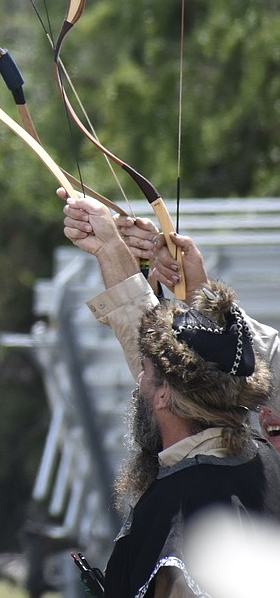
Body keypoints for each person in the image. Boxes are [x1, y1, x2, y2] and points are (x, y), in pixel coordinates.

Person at [60, 192, 280, 597]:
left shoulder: (180, 511)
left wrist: (114, 249)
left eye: (144, 373)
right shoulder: (264, 467)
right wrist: (115, 251)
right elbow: (189, 361)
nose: (139, 381)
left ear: (163, 396)